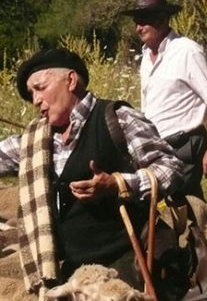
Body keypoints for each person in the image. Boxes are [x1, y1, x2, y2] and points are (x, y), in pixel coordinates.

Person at [0, 48, 184, 296]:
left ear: (71, 80)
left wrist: (119, 184)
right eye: (32, 94)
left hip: (125, 265)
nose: (35, 100)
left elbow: (170, 167)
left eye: (40, 88)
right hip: (72, 270)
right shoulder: (37, 140)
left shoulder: (118, 119)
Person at [121, 0, 207, 202]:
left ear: (162, 19)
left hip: (185, 145)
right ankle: (204, 231)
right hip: (158, 146)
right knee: (180, 205)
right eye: (136, 22)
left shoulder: (188, 51)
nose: (138, 28)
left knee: (167, 201)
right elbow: (147, 107)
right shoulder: (146, 58)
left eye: (144, 21)